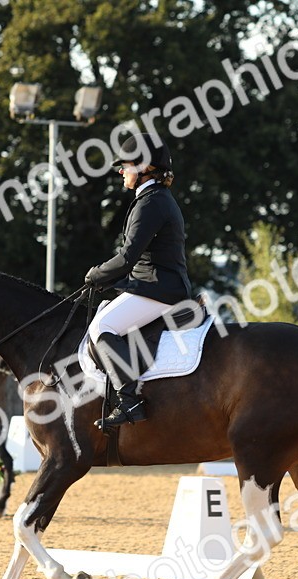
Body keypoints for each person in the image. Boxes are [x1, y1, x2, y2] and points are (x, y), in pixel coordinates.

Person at [83, 133, 192, 429]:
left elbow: (128, 256)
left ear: (144, 166)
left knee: (101, 327)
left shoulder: (151, 203)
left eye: (126, 165)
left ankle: (129, 400)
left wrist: (96, 274)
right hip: (154, 284)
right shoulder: (153, 199)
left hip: (158, 289)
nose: (121, 171)